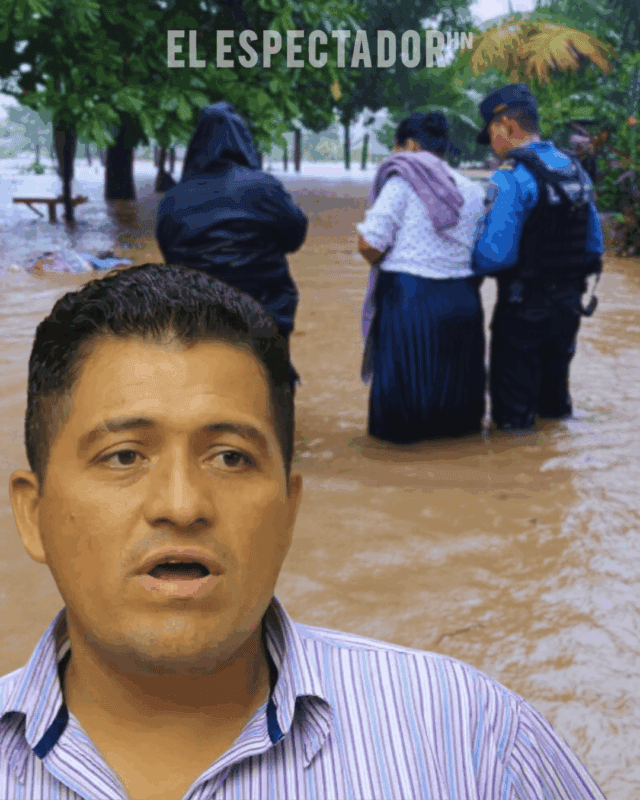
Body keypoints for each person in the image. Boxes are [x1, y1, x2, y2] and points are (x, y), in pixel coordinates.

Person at [4, 263, 606, 799]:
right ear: (34, 515)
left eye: (231, 457)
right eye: (125, 456)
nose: (182, 506)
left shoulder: (468, 742)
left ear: (289, 514)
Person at [472, 84, 605, 430]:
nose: (494, 147)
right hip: (569, 308)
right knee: (555, 406)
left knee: (514, 420)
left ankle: (516, 478)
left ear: (505, 126)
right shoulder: (576, 170)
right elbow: (594, 247)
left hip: (523, 310)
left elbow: (494, 258)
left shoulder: (512, 177)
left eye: (491, 134)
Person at [156, 101, 307, 389]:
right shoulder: (265, 188)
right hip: (266, 312)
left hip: (196, 319)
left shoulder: (174, 198)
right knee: (270, 392)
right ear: (243, 141)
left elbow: (169, 255)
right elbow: (294, 237)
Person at [357, 112, 487, 443]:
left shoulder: (402, 181)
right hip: (462, 299)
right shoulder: (472, 189)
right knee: (455, 422)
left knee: (401, 428)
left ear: (411, 146)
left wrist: (384, 258)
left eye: (396, 147)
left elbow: (369, 243)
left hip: (410, 300)